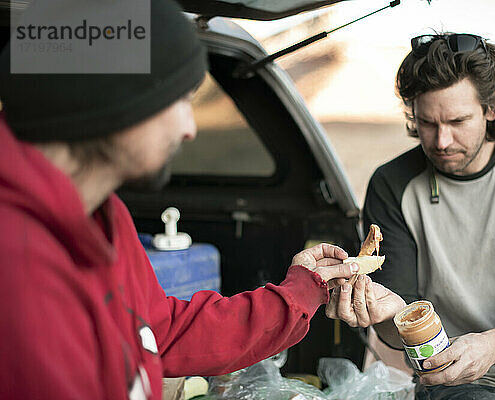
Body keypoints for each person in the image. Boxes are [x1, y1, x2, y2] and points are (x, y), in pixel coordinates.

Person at [0, 0, 360, 398]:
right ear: (114, 103)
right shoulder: (18, 267)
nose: (190, 128)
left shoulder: (104, 215)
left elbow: (160, 331)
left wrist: (302, 292)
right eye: (180, 100)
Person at [326, 33, 495, 399]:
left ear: (491, 108)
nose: (440, 141)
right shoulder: (392, 184)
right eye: (427, 123)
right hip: (451, 375)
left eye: (457, 121)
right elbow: (396, 323)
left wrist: (490, 346)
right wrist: (386, 313)